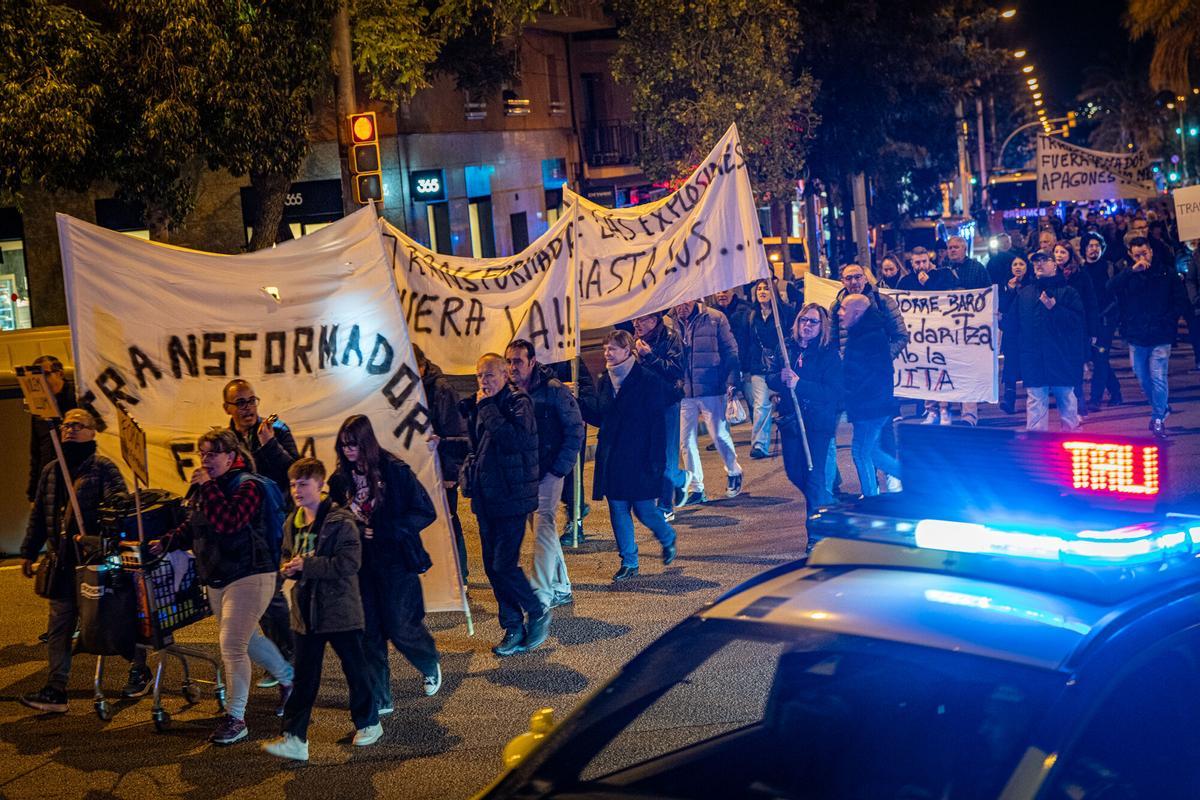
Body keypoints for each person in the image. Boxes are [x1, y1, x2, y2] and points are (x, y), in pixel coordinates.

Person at [154, 428, 294, 745]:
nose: (205, 459)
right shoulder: (210, 489)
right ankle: (288, 678)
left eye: (212, 453)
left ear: (231, 457)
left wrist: (207, 486)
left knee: (231, 644)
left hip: (251, 574)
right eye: (202, 453)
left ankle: (236, 717)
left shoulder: (250, 487)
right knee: (248, 639)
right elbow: (194, 526)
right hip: (218, 576)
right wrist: (164, 542)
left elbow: (228, 521)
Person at [19, 409, 147, 713]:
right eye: (66, 425)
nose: (70, 430)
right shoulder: (52, 471)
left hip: (95, 564)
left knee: (111, 621)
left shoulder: (103, 468)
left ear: (92, 432)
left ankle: (139, 668)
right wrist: (28, 550)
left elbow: (119, 510)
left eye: (78, 425)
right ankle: (56, 689)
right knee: (60, 625)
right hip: (62, 563)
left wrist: (97, 540)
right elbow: (40, 514)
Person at [263, 458, 380, 761]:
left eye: (303, 484)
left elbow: (349, 563)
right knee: (304, 676)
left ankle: (370, 722)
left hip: (339, 608)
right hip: (306, 612)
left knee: (354, 668)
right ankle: (295, 737)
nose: (297, 490)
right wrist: (288, 568)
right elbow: (288, 554)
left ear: (320, 485)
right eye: (293, 484)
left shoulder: (340, 521)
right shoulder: (293, 521)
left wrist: (308, 565)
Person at [329, 415, 441, 711]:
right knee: (368, 632)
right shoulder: (340, 479)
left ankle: (429, 662)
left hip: (394, 561)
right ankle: (380, 697)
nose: (348, 451)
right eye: (343, 446)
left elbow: (425, 511)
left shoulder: (395, 472)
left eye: (353, 444)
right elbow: (334, 516)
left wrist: (387, 530)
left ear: (366, 442)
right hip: (361, 564)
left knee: (400, 625)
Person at [459, 354, 549, 657]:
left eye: (489, 375)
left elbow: (514, 440)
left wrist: (484, 407)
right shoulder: (480, 407)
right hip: (487, 498)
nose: (484, 381)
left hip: (512, 498)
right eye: (479, 375)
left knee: (504, 564)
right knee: (492, 567)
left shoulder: (517, 402)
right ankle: (512, 626)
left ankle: (536, 610)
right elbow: (477, 447)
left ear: (503, 375)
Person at [578, 331, 678, 581]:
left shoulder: (647, 380)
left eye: (612, 349)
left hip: (640, 455)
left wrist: (658, 460)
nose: (607, 354)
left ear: (627, 350)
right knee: (618, 507)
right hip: (613, 454)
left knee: (644, 509)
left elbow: (657, 424)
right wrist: (578, 403)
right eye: (605, 349)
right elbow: (602, 416)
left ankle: (666, 536)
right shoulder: (604, 380)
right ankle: (629, 561)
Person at [222, 379, 296, 676]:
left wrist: (270, 445)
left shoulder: (276, 429)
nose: (248, 407)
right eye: (240, 402)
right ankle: (280, 657)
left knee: (269, 590)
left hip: (273, 523)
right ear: (227, 407)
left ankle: (287, 655)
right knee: (258, 594)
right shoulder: (226, 440)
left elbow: (293, 471)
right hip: (243, 528)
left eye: (251, 400)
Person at [504, 340, 584, 611]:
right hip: (526, 474)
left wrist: (559, 468)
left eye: (517, 361)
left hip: (549, 470)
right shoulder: (510, 393)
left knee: (543, 529)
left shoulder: (553, 391)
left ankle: (541, 594)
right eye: (509, 361)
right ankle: (561, 586)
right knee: (542, 532)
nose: (512, 367)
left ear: (532, 362)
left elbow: (575, 429)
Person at [1108, 236, 1190, 437]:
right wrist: (1130, 271)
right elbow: (1109, 288)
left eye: (1144, 253)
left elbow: (1180, 301)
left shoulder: (1166, 273)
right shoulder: (1128, 274)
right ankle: (1162, 408)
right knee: (1142, 377)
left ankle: (1158, 418)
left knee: (1158, 377)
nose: (1142, 257)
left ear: (1151, 251)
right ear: (1130, 255)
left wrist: (1168, 321)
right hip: (1136, 335)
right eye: (1137, 255)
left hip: (1160, 334)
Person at [768, 304, 842, 514]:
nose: (807, 325)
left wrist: (800, 384)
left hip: (818, 423)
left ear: (822, 326)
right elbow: (770, 377)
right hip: (791, 421)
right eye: (803, 320)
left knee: (814, 476)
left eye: (813, 321)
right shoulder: (785, 347)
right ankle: (826, 503)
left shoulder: (828, 353)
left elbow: (833, 392)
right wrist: (779, 378)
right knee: (794, 472)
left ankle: (816, 534)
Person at [669, 299, 743, 503]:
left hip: (711, 387)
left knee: (719, 435)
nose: (681, 306)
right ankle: (696, 488)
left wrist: (731, 382)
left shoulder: (715, 318)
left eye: (685, 301)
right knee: (686, 441)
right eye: (678, 302)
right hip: (684, 390)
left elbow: (730, 351)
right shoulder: (669, 322)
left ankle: (734, 471)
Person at [1006, 252, 1086, 432]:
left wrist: (1055, 309)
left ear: (1054, 265)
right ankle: (1037, 448)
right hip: (1033, 358)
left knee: (1066, 401)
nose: (1039, 265)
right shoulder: (1025, 293)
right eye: (1036, 262)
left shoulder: (1068, 292)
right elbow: (1011, 323)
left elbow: (1077, 323)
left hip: (1061, 357)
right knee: (1035, 403)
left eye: (1044, 261)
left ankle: (1072, 443)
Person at [415, 345, 470, 580]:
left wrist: (450, 473)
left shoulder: (441, 390)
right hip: (420, 468)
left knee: (448, 520)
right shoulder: (412, 387)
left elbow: (457, 433)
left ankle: (460, 574)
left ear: (421, 365)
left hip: (441, 468)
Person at [839, 295, 902, 497]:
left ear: (856, 313)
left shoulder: (871, 337)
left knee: (861, 452)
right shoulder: (862, 333)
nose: (840, 314)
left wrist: (849, 394)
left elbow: (871, 376)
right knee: (872, 452)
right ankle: (916, 479)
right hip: (871, 405)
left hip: (870, 407)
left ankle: (870, 499)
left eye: (843, 309)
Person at [632, 311, 686, 520]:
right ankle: (681, 479)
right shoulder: (634, 340)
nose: (636, 323)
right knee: (650, 456)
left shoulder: (670, 337)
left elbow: (676, 370)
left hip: (667, 403)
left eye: (641, 319)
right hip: (644, 405)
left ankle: (665, 507)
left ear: (654, 321)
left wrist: (649, 356)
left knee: (667, 456)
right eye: (635, 319)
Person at [743, 279, 794, 459]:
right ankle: (759, 444)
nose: (762, 291)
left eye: (766, 288)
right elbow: (748, 343)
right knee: (761, 405)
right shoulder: (751, 315)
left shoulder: (785, 312)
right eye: (759, 289)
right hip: (759, 366)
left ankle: (794, 441)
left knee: (788, 404)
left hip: (781, 367)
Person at [1055, 241, 1100, 417]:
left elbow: (1090, 302)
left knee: (1075, 363)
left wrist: (1093, 330)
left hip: (1077, 327)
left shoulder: (1081, 274)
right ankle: (1067, 402)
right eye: (1056, 252)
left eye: (1063, 252)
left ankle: (1079, 399)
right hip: (1058, 327)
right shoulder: (1051, 273)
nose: (1059, 255)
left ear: (1070, 254)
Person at [26, 355, 78, 505]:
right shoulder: (39, 406)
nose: (41, 380)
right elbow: (36, 452)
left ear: (60, 373)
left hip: (75, 479)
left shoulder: (77, 398)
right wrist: (33, 493)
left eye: (45, 374)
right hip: (50, 482)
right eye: (36, 377)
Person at [1081, 232, 1124, 406]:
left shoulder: (1109, 267)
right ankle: (1116, 392)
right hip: (1090, 320)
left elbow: (1118, 292)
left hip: (1106, 319)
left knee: (1100, 357)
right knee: (1098, 357)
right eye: (1090, 246)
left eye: (1097, 246)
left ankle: (1095, 398)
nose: (1094, 249)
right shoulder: (1082, 270)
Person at [998, 254, 1032, 413]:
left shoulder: (1032, 284)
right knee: (1010, 366)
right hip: (1011, 333)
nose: (1017, 267)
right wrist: (1010, 290)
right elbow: (1002, 307)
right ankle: (1009, 400)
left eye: (1021, 264)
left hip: (1028, 332)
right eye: (1014, 265)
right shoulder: (1006, 286)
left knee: (1029, 365)